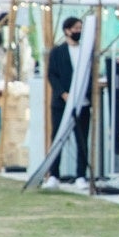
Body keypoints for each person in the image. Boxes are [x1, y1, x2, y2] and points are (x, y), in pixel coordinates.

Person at [45, 15, 91, 189]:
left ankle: (81, 175)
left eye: (80, 28)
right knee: (57, 137)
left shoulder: (85, 52)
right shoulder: (57, 52)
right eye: (76, 28)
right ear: (67, 30)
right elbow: (52, 75)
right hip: (61, 102)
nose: (79, 31)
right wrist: (63, 93)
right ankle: (54, 175)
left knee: (82, 139)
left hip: (82, 102)